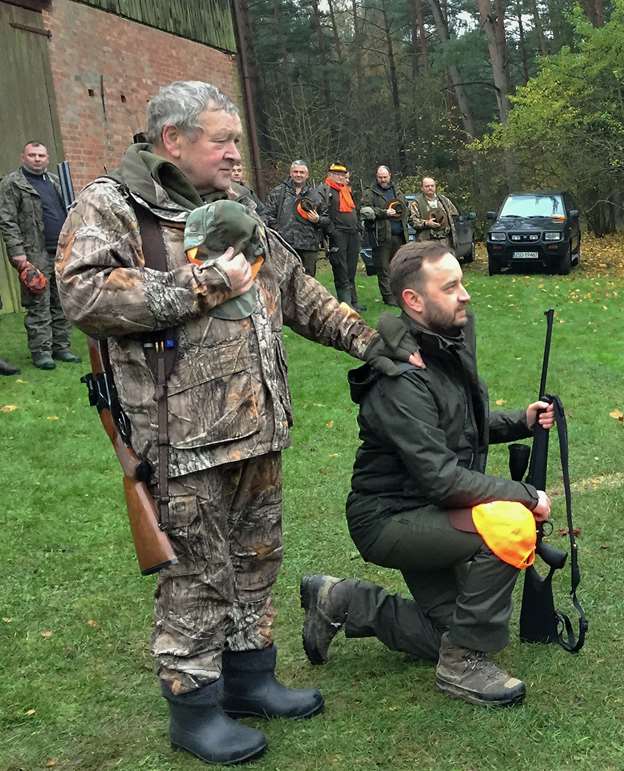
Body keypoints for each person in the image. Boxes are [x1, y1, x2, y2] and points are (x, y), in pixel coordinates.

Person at [55, 81, 379, 765]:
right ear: (173, 140)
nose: (236, 153)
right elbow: (83, 294)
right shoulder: (113, 205)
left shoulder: (235, 208)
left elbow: (295, 290)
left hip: (256, 428)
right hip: (182, 441)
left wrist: (372, 343)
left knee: (257, 560)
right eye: (222, 140)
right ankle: (194, 708)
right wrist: (204, 284)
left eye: (236, 139)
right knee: (197, 576)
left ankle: (251, 678)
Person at [300, 240, 555, 708]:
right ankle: (462, 666)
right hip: (390, 518)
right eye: (450, 286)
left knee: (451, 630)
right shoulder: (401, 378)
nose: (465, 295)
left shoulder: (442, 347)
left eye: (462, 283)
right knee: (511, 525)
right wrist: (525, 495)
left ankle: (341, 601)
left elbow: (455, 427)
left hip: (430, 508)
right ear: (413, 300)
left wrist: (519, 420)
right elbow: (441, 478)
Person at [0, 141, 80, 370]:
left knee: (61, 301)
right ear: (23, 157)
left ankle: (61, 347)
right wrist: (17, 253)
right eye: (32, 155)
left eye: (41, 155)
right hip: (33, 253)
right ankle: (42, 352)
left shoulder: (56, 182)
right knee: (38, 303)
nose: (37, 159)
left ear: (47, 158)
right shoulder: (12, 183)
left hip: (61, 251)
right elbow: (7, 220)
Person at [263, 160, 329, 278]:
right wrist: (279, 230)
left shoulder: (316, 195)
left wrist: (318, 220)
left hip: (308, 247)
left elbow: (327, 220)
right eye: (296, 172)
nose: (298, 175)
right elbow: (267, 215)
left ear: (307, 175)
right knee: (285, 281)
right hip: (285, 246)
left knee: (308, 282)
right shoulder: (278, 192)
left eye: (302, 172)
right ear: (291, 173)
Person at [319, 162, 364, 310]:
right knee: (341, 269)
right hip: (338, 235)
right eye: (337, 174)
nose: (340, 177)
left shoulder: (346, 190)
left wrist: (358, 227)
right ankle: (346, 304)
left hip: (353, 234)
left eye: (342, 174)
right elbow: (323, 213)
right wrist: (332, 231)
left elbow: (355, 210)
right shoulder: (325, 190)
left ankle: (354, 302)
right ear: (330, 175)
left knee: (351, 269)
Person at [360, 165, 406, 306]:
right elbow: (365, 210)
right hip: (380, 236)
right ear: (376, 177)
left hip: (399, 235)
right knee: (383, 268)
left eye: (385, 177)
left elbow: (404, 207)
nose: (383, 180)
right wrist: (384, 213)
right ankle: (388, 297)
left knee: (398, 267)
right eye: (380, 177)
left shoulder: (397, 190)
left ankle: (399, 294)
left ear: (390, 175)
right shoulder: (370, 192)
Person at [407, 176, 458, 249]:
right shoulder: (416, 203)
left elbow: (454, 215)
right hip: (426, 242)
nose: (430, 188)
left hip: (445, 241)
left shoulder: (444, 200)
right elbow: (412, 221)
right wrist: (427, 223)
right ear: (422, 188)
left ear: (435, 187)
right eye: (427, 186)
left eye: (432, 186)